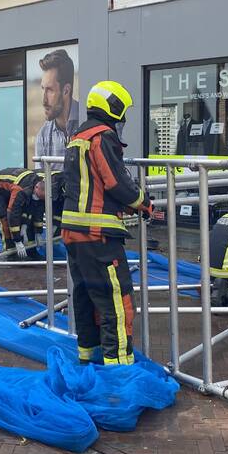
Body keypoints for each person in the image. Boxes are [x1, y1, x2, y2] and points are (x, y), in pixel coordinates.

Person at [61, 81, 156, 366]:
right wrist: (144, 203)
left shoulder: (77, 135)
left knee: (86, 296)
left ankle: (88, 357)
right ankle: (119, 369)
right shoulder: (102, 136)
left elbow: (93, 184)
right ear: (112, 108)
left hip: (74, 233)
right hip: (97, 236)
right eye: (122, 113)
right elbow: (116, 182)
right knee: (117, 301)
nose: (122, 120)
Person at [0, 168, 46, 260]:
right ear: (36, 188)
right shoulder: (19, 190)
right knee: (3, 218)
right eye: (40, 196)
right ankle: (11, 253)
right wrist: (17, 241)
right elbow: (12, 214)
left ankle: (31, 251)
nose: (40, 199)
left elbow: (34, 211)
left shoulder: (39, 184)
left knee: (27, 218)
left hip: (8, 189)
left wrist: (37, 232)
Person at [35, 48, 81, 157]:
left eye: (50, 90)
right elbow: (41, 174)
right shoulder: (43, 135)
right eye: (43, 89)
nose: (44, 101)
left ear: (66, 90)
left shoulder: (87, 122)